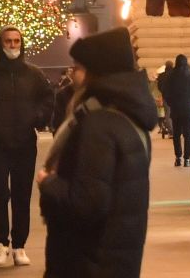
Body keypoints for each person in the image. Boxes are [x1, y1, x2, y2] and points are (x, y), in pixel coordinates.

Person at [37, 28, 158, 278]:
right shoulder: (126, 116)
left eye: (78, 67)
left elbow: (88, 203)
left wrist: (48, 183)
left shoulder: (99, 125)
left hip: (89, 262)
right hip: (117, 257)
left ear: (97, 73)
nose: (72, 74)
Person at [0, 26, 55, 268]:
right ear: (0, 43)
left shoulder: (33, 74)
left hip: (25, 142)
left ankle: (19, 246)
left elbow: (48, 98)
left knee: (21, 194)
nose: (13, 46)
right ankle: (1, 244)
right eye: (8, 41)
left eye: (16, 41)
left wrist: (38, 118)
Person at [159, 54, 190, 167]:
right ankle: (187, 159)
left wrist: (170, 103)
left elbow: (165, 92)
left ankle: (178, 158)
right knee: (188, 135)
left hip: (176, 109)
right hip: (189, 110)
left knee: (177, 134)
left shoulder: (170, 77)